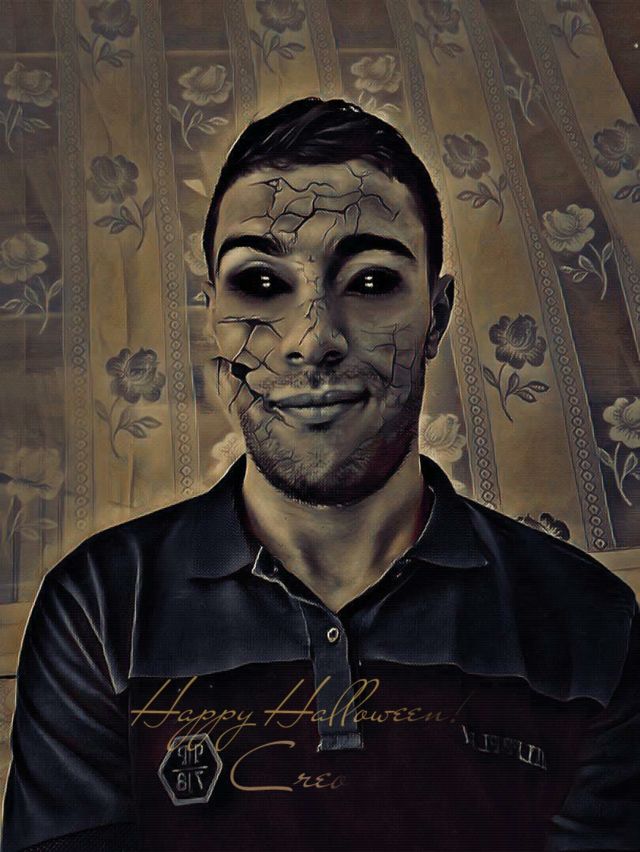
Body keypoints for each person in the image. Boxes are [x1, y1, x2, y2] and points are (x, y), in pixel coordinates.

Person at [2, 97, 639, 852]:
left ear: (436, 316)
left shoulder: (590, 623)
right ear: (212, 317)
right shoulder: (100, 608)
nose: (312, 341)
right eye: (260, 283)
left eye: (369, 282)